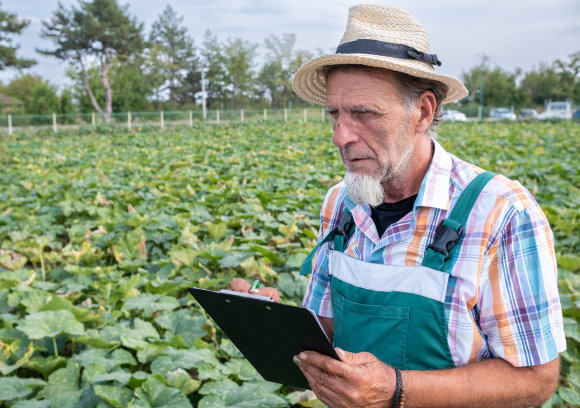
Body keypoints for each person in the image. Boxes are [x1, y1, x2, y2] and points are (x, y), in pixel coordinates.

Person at [233, 4, 565, 407]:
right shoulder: (341, 203)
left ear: (422, 111)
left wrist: (395, 389)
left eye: (363, 113)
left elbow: (535, 380)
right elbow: (327, 332)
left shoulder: (500, 211)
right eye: (335, 114)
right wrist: (269, 325)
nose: (340, 136)